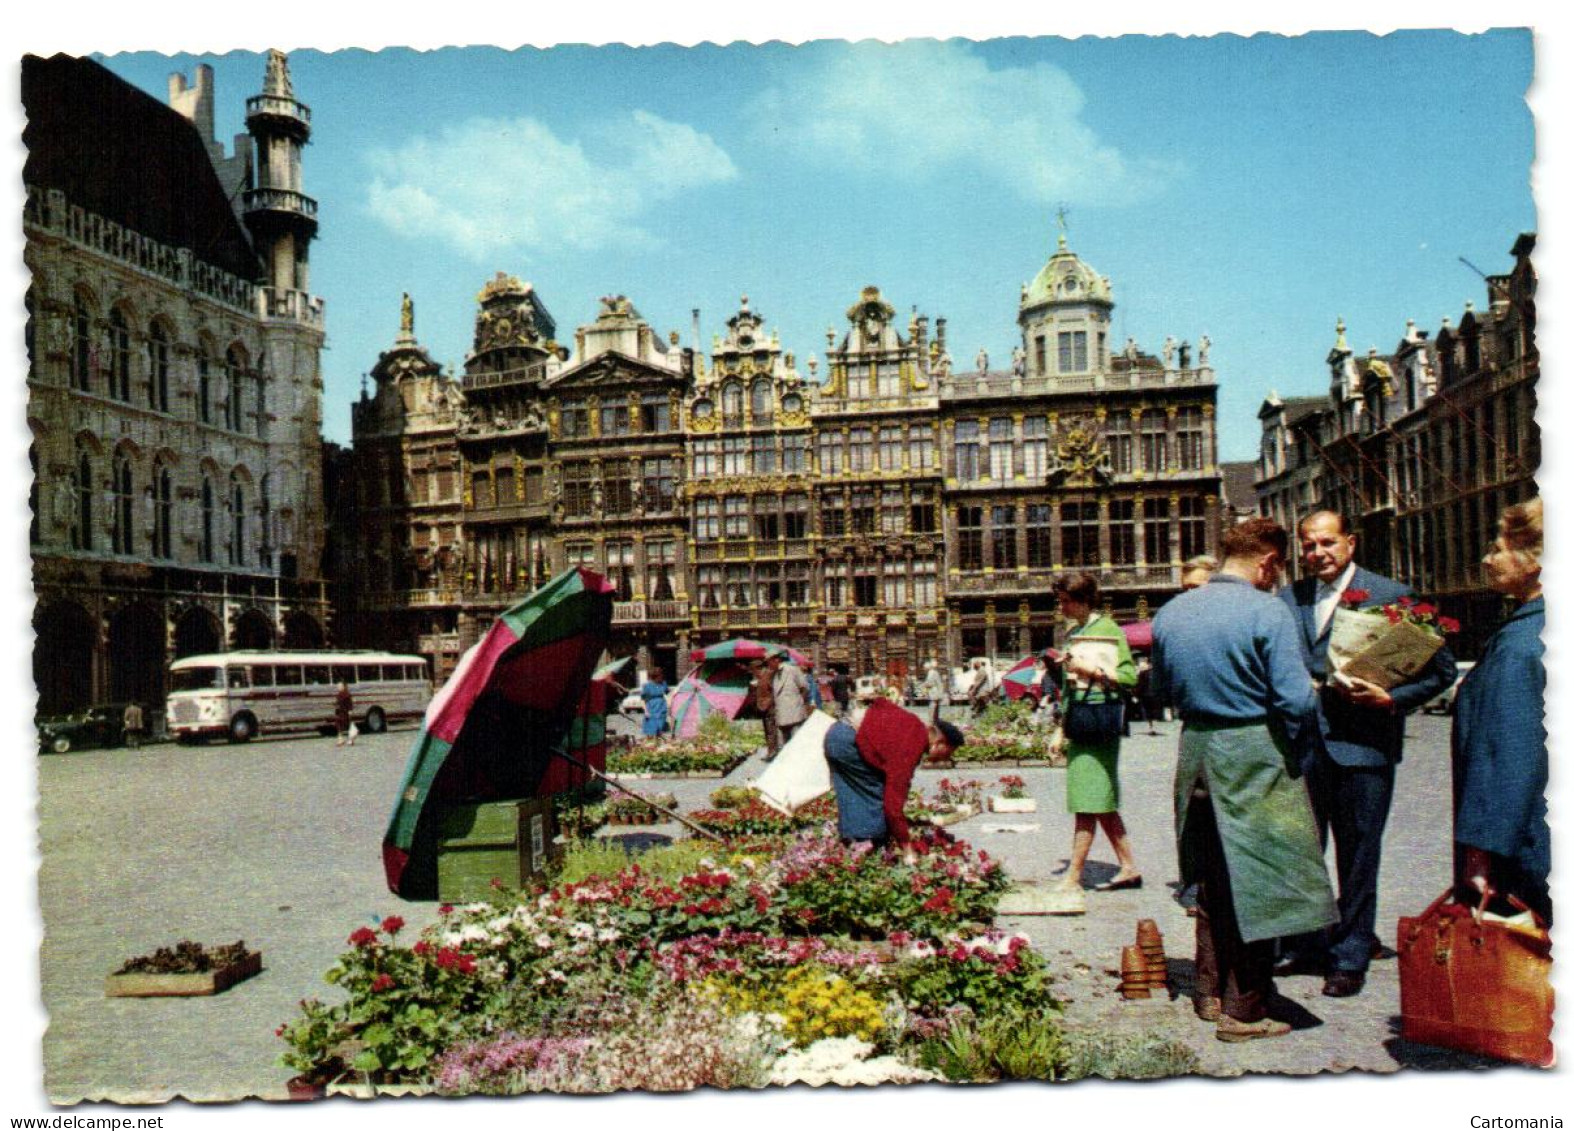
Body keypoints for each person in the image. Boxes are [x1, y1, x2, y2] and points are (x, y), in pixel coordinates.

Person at [1151, 517, 1337, 1042]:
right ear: (1268, 563)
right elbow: (1296, 700)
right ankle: (1246, 1007)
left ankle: (1209, 991)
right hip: (1253, 752)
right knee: (1261, 881)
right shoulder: (1266, 610)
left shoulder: (1172, 612)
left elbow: (1161, 691)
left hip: (1197, 755)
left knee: (1211, 880)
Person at [1276, 510, 1456, 997]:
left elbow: (1440, 673)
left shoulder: (1389, 595)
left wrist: (1392, 700)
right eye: (1309, 546)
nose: (1318, 554)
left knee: (1358, 855)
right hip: (1303, 746)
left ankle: (1351, 954)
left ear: (1350, 544)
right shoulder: (1289, 598)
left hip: (1363, 747)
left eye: (1328, 543)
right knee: (1302, 850)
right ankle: (1307, 941)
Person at [1453, 498, 1548, 924]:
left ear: (1534, 558)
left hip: (1530, 845)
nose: (1488, 559)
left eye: (1497, 548)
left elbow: (1506, 755)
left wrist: (1480, 853)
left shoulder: (1520, 645)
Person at [1051, 572, 1143, 894]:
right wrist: (1059, 731)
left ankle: (1073, 877)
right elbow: (1068, 689)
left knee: (1087, 801)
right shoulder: (1076, 633)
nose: (1061, 607)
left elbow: (1130, 677)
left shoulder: (1109, 630)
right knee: (1099, 798)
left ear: (1083, 600)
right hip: (1080, 721)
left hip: (1099, 721)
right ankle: (1128, 866)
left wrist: (1091, 671)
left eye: (1065, 601)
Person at [823, 697, 965, 849]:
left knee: (854, 789)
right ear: (940, 743)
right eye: (948, 752)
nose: (947, 757)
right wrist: (906, 844)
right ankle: (866, 843)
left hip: (837, 734)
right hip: (847, 741)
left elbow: (882, 704)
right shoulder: (911, 746)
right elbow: (893, 802)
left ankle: (856, 838)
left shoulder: (915, 726)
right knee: (875, 790)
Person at [769, 653, 813, 745]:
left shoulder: (792, 670)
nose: (768, 665)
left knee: (797, 743)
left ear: (776, 660)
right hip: (781, 715)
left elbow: (804, 687)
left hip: (794, 714)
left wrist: (799, 702)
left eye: (769, 662)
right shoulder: (773, 675)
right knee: (784, 746)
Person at [751, 660, 780, 757]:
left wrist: (768, 703)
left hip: (769, 708)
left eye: (753, 670)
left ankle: (772, 752)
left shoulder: (768, 675)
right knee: (768, 730)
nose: (753, 673)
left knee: (771, 729)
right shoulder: (761, 677)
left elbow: (774, 692)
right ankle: (771, 750)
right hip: (763, 708)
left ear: (757, 669)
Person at [640, 673, 669, 737]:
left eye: (662, 676)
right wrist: (646, 711)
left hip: (661, 707)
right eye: (660, 676)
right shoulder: (647, 686)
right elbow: (642, 700)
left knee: (661, 726)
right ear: (655, 677)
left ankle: (659, 740)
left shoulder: (664, 684)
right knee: (651, 727)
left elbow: (669, 694)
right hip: (651, 708)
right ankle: (650, 741)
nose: (661, 678)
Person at [334, 682, 355, 747]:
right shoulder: (338, 695)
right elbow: (337, 703)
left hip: (346, 712)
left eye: (340, 686)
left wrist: (350, 710)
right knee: (339, 726)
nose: (338, 688)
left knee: (348, 726)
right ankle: (340, 740)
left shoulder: (347, 694)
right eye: (338, 687)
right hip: (340, 712)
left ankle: (351, 740)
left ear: (343, 687)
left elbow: (350, 703)